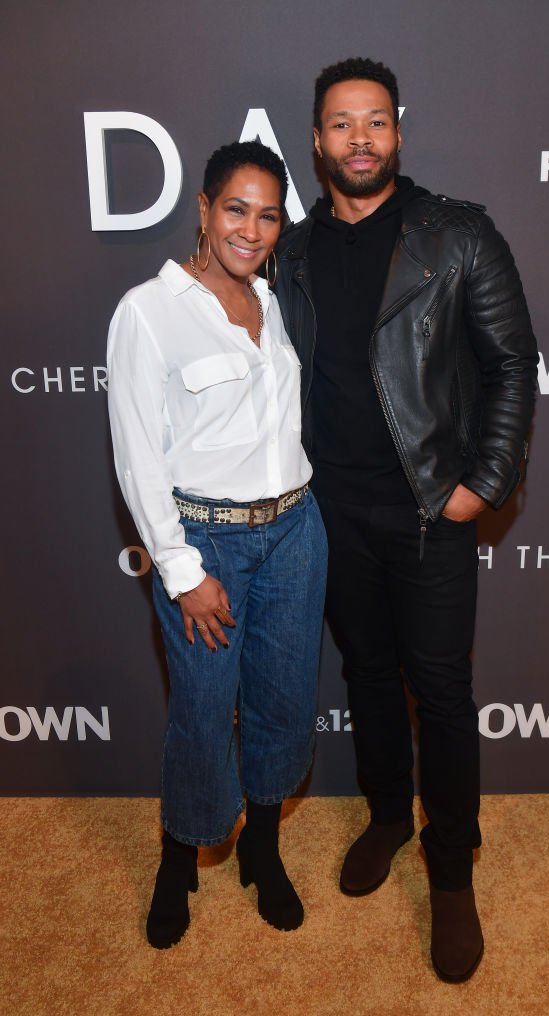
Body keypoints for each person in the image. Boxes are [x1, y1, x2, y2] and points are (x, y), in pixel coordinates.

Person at [275, 58, 538, 982]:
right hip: (330, 511)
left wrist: (484, 481)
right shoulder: (296, 251)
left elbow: (512, 363)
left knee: (443, 691)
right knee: (369, 674)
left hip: (432, 511)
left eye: (374, 122)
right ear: (316, 141)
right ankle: (389, 813)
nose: (359, 139)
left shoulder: (456, 234)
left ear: (398, 132)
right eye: (341, 124)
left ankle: (452, 869)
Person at [107, 141, 327, 948]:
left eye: (268, 214)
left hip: (297, 533)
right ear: (202, 208)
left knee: (281, 698)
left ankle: (262, 850)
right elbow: (137, 455)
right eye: (236, 208)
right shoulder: (148, 311)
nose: (252, 228)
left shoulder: (275, 303)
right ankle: (178, 859)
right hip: (208, 543)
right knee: (201, 712)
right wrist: (180, 571)